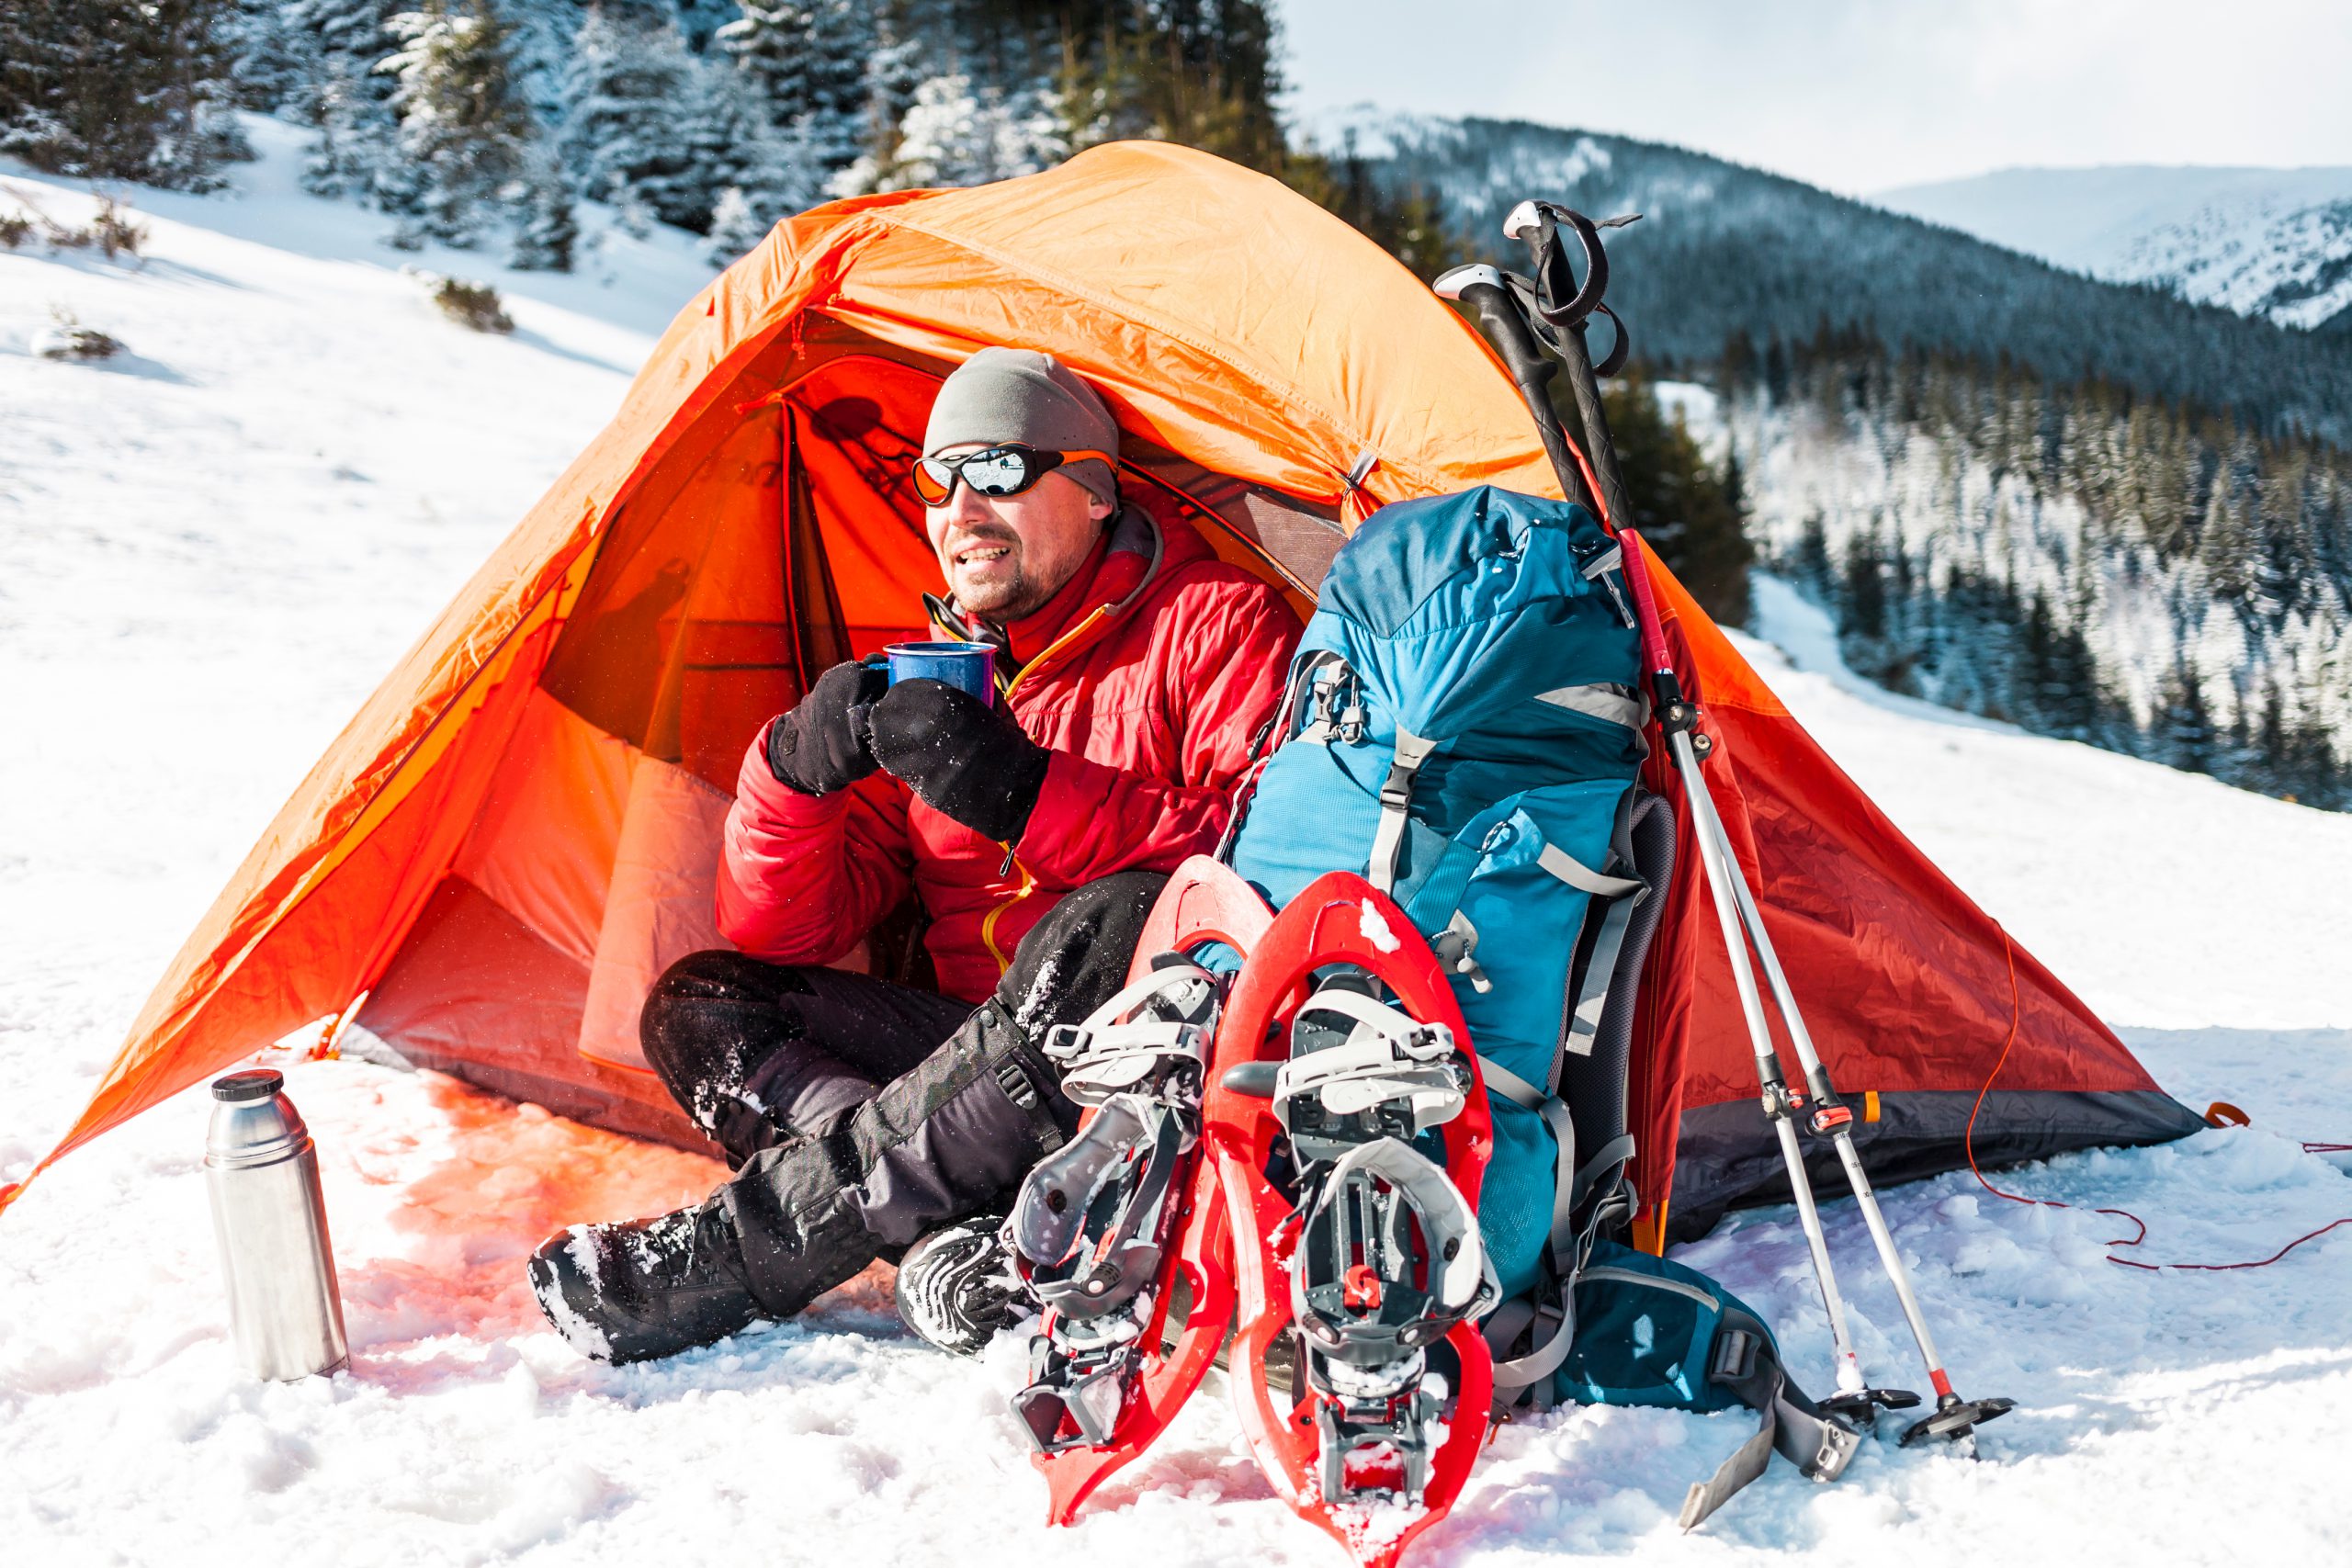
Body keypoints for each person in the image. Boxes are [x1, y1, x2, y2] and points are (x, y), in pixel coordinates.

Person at [527, 348, 1302, 1364]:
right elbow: (790, 931)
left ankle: (731, 1256)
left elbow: (1257, 872)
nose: (960, 508)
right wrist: (792, 777)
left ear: (1097, 490)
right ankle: (954, 1236)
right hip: (962, 1077)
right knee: (703, 1003)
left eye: (999, 468)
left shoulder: (1215, 622)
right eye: (936, 479)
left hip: (1129, 1077)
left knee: (1119, 917)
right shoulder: (938, 676)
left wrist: (1027, 793)